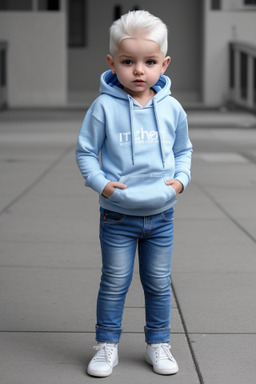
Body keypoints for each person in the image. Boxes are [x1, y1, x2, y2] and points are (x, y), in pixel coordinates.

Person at [76, 10, 192, 378]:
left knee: (159, 283)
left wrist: (180, 180)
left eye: (149, 62)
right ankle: (106, 346)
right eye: (128, 62)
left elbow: (184, 150)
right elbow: (84, 152)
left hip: (161, 216)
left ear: (164, 63)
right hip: (118, 216)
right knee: (114, 281)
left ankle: (158, 344)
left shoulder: (172, 108)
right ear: (112, 63)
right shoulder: (103, 108)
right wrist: (101, 183)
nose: (139, 70)